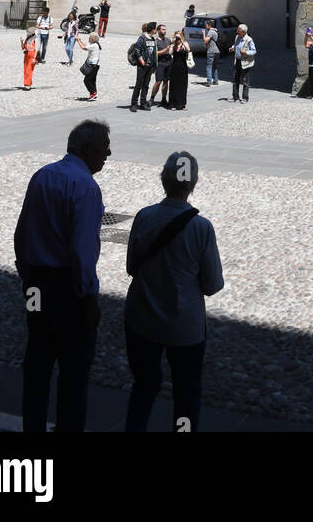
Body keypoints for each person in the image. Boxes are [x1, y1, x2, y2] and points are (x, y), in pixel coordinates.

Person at [14, 120, 111, 432]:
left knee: (38, 361)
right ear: (87, 149)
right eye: (103, 145)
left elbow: (22, 232)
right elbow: (83, 252)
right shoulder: (85, 188)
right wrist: (88, 298)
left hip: (36, 286)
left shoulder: (42, 176)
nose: (108, 152)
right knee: (74, 370)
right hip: (66, 289)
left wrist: (27, 276)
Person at [124, 151, 224, 433]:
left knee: (143, 388)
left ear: (163, 180)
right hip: (185, 327)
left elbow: (132, 266)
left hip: (141, 319)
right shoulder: (201, 228)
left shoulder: (144, 217)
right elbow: (213, 284)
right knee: (187, 395)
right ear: (193, 183)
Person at [130, 23, 158, 112]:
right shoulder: (142, 38)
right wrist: (142, 61)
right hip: (142, 66)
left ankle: (143, 103)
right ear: (152, 29)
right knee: (138, 84)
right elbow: (137, 51)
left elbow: (154, 53)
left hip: (150, 66)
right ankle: (134, 104)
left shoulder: (153, 39)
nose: (156, 30)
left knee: (146, 85)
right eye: (155, 29)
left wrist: (154, 65)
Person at [230, 24, 256, 104]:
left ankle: (245, 98)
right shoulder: (237, 37)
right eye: (237, 30)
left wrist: (246, 52)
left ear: (244, 32)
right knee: (235, 79)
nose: (237, 32)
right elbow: (236, 45)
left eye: (239, 31)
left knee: (245, 81)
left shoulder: (249, 40)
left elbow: (254, 51)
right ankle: (235, 97)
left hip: (245, 62)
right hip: (237, 60)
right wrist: (233, 47)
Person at [150, 24, 173, 109]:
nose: (165, 31)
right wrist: (166, 50)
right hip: (160, 64)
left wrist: (171, 50)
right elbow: (155, 53)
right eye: (163, 29)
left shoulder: (168, 40)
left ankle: (163, 99)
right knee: (158, 82)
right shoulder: (155, 41)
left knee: (166, 82)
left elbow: (170, 51)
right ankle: (152, 98)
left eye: (165, 29)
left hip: (168, 63)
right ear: (158, 31)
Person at [168, 31, 191, 110]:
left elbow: (188, 50)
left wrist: (182, 41)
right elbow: (170, 53)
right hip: (174, 67)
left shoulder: (184, 44)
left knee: (183, 86)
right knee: (174, 85)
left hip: (183, 68)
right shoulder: (173, 45)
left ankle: (182, 104)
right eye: (176, 37)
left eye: (179, 37)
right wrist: (172, 44)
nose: (177, 38)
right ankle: (172, 104)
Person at [78, 34, 102, 101]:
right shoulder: (95, 44)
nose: (88, 38)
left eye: (89, 37)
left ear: (92, 39)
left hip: (93, 66)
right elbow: (85, 46)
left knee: (87, 80)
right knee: (92, 80)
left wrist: (78, 40)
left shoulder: (94, 45)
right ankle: (94, 93)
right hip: (95, 66)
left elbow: (83, 48)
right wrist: (80, 40)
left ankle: (92, 92)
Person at [203, 20, 220, 87]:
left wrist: (203, 34)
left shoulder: (211, 32)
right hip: (217, 51)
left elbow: (205, 40)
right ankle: (215, 80)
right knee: (215, 66)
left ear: (209, 25)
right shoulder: (216, 31)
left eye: (206, 25)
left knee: (209, 66)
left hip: (211, 51)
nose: (205, 26)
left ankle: (209, 81)